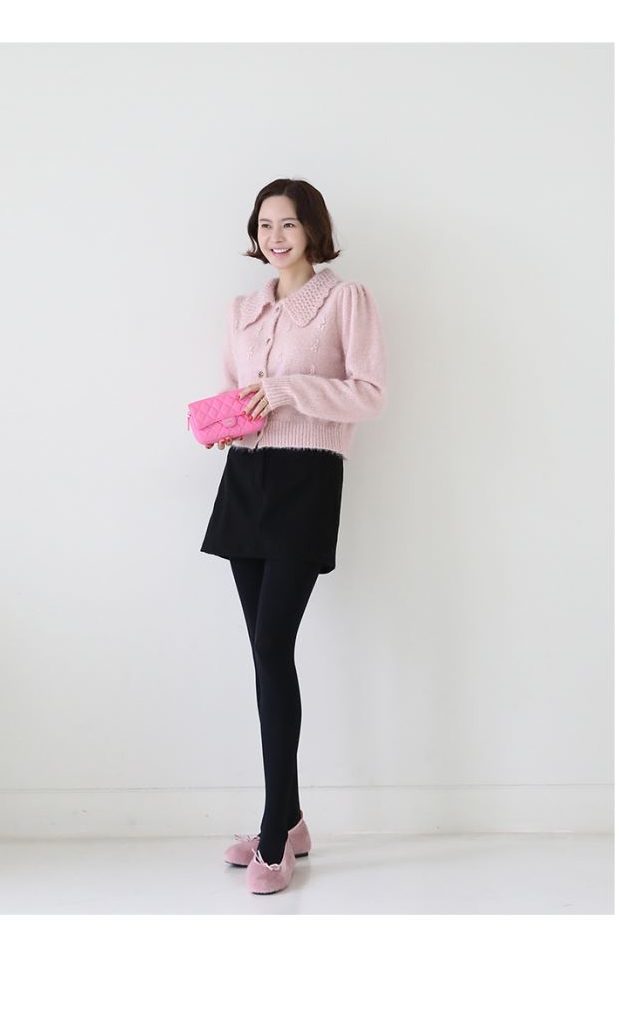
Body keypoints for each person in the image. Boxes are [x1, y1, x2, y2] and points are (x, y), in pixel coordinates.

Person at [199, 178, 387, 894]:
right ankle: (292, 817)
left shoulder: (346, 300)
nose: (275, 237)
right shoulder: (242, 309)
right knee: (264, 652)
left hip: (307, 478)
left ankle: (275, 836)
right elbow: (236, 387)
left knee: (274, 646)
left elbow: (369, 394)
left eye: (288, 224)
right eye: (264, 225)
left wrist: (287, 391)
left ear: (312, 229)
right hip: (245, 478)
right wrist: (225, 422)